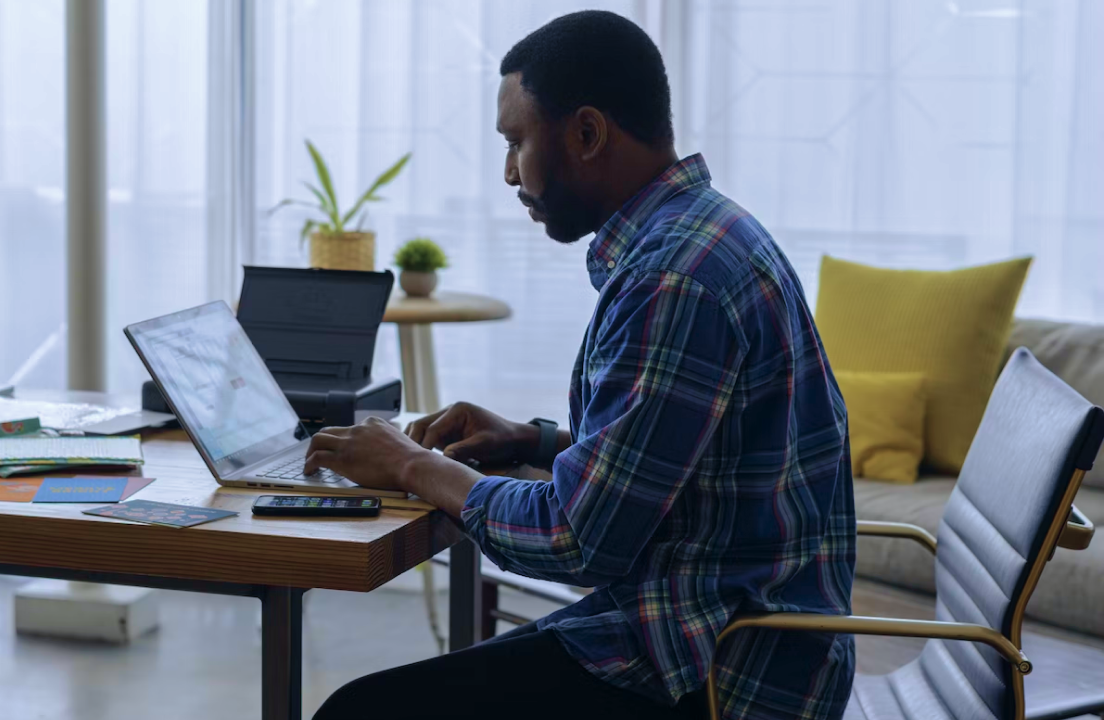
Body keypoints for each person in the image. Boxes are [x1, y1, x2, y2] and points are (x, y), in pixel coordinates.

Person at [309, 10, 855, 720]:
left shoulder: (674, 278)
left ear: (588, 134)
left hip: (723, 674)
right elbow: (685, 469)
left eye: (516, 142)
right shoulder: (708, 231)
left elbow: (578, 539)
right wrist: (538, 443)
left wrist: (415, 466)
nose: (508, 172)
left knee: (359, 713)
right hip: (709, 628)